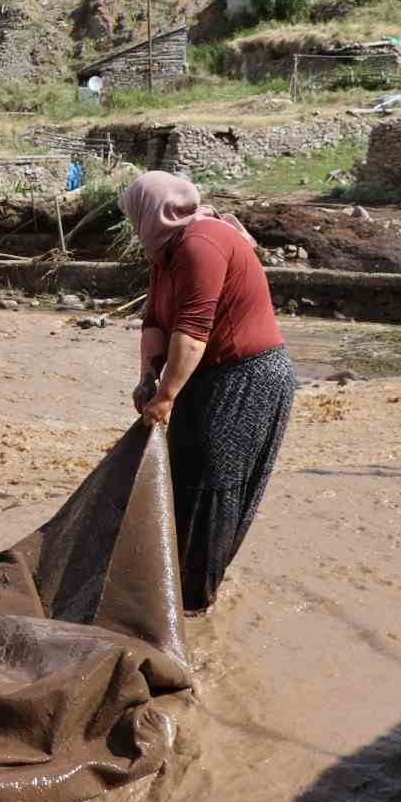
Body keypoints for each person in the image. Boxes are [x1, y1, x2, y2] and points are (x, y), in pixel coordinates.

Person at [120, 172, 295, 614]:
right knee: (182, 475)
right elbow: (155, 322)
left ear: (151, 210)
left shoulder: (203, 243)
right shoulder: (166, 253)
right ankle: (174, 582)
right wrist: (148, 380)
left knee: (215, 485)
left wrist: (166, 397)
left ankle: (197, 601)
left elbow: (194, 330)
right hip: (204, 374)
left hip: (249, 377)